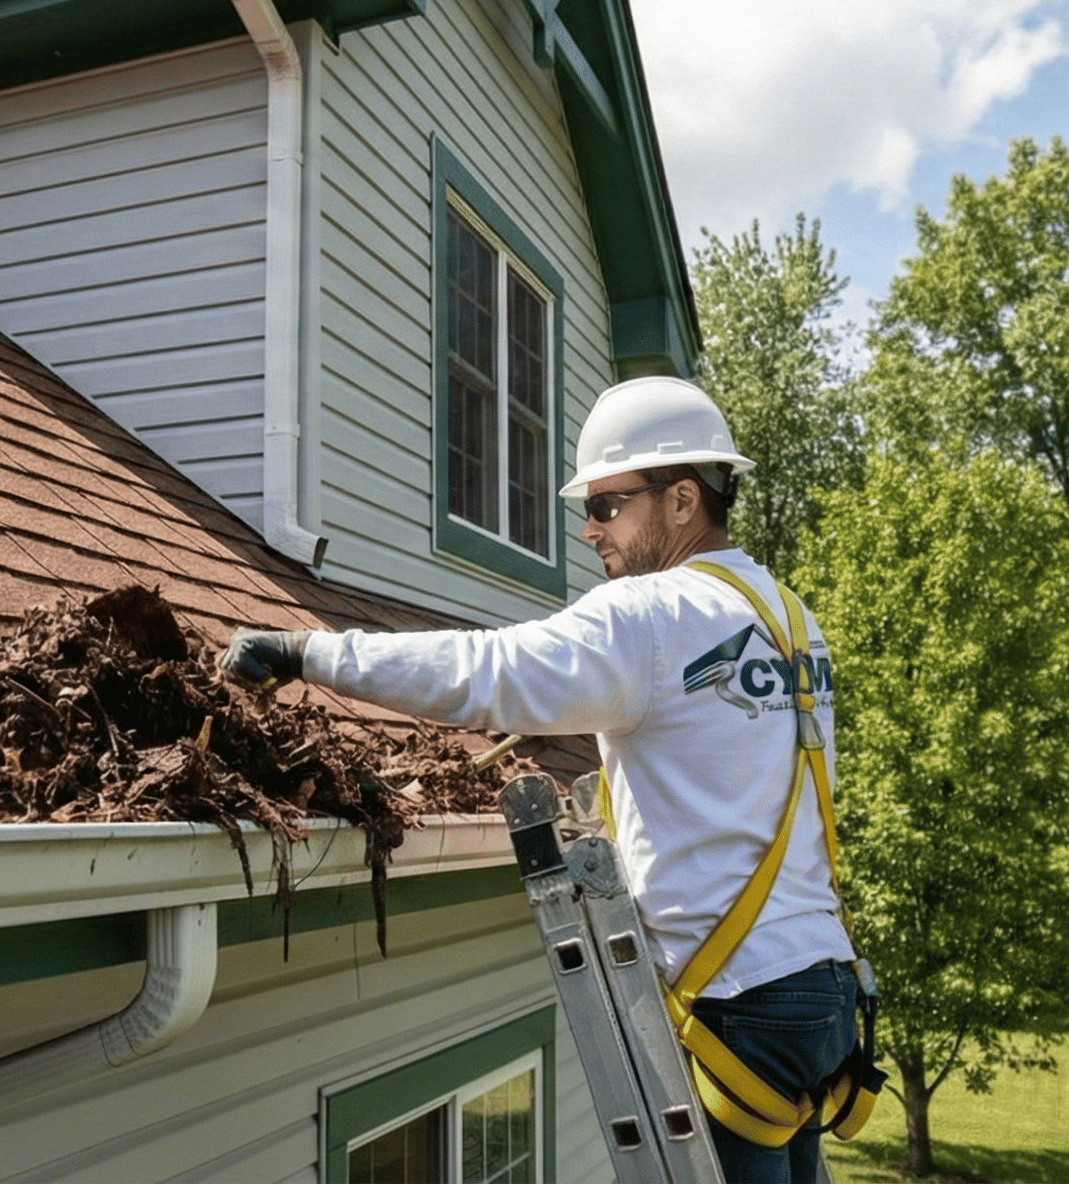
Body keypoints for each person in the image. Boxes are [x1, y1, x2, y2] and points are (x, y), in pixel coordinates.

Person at [222, 376, 871, 1184]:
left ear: (680, 501)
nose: (589, 527)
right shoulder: (790, 618)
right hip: (825, 990)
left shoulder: (649, 615)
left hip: (735, 1002)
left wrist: (304, 652)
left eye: (608, 504)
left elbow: (483, 670)